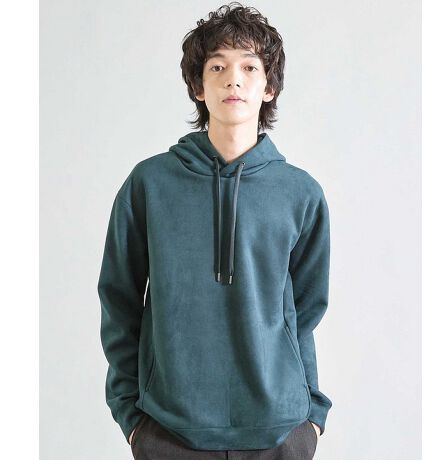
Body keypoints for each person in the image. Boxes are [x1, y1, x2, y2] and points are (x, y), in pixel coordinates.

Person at [98, 3, 332, 459]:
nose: (233, 80)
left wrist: (311, 419)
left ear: (269, 86)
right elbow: (119, 299)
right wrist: (131, 417)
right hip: (169, 432)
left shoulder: (300, 193)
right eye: (218, 67)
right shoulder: (149, 184)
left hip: (281, 432)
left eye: (249, 67)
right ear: (197, 86)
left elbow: (305, 314)